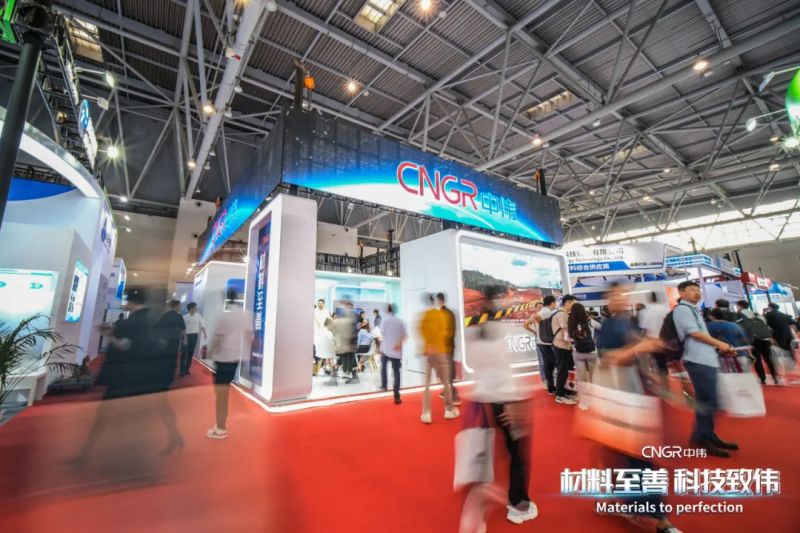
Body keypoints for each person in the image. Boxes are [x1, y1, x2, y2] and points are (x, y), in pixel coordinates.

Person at [596, 282, 682, 533]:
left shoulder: (629, 322)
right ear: (608, 299)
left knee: (628, 456)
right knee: (637, 458)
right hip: (619, 399)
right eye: (615, 295)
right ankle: (660, 519)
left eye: (623, 293)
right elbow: (609, 359)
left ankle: (626, 502)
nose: (620, 298)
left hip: (633, 396)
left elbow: (634, 353)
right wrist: (640, 347)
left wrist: (650, 371)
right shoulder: (609, 326)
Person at [459, 288, 537, 531]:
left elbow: (479, 370)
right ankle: (518, 504)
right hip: (507, 401)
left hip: (482, 403)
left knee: (483, 459)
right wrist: (516, 403)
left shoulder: (472, 333)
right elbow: (509, 371)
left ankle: (476, 517)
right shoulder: (505, 331)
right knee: (517, 455)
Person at [672, 281, 738, 458]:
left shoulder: (693, 310)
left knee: (707, 401)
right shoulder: (682, 310)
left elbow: (701, 335)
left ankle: (705, 436)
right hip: (697, 360)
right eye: (692, 290)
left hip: (706, 359)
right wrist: (720, 344)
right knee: (709, 401)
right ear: (681, 293)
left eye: (698, 290)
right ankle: (703, 437)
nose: (697, 293)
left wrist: (719, 348)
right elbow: (695, 334)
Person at [207, 303, 253, 439]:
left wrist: (210, 353)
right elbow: (248, 336)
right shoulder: (247, 315)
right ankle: (220, 425)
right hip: (236, 359)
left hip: (224, 359)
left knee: (221, 394)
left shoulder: (224, 317)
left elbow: (217, 338)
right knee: (224, 393)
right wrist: (247, 354)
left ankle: (220, 428)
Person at [419, 293, 459, 423]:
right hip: (441, 351)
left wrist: (429, 344)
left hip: (428, 352)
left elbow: (421, 330)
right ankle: (449, 410)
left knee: (427, 384)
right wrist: (436, 344)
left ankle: (426, 413)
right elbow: (444, 332)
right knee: (446, 382)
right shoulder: (441, 315)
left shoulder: (424, 315)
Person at [735, 299, 778, 385]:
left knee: (757, 359)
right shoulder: (756, 314)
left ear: (739, 306)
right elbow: (765, 325)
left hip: (754, 340)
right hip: (764, 339)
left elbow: (740, 328)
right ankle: (775, 377)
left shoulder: (739, 315)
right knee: (768, 359)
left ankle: (762, 378)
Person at [567, 302, 599, 410]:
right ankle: (595, 400)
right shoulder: (590, 321)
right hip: (592, 352)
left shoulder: (571, 323)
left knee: (581, 379)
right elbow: (601, 327)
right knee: (594, 377)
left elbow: (568, 338)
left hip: (578, 352)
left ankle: (583, 402)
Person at [637, 292, 672, 392]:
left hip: (652, 342)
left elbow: (644, 329)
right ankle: (667, 386)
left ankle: (660, 386)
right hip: (666, 341)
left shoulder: (646, 312)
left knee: (655, 365)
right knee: (666, 365)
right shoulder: (666, 310)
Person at [379, 304, 407, 404]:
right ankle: (396, 396)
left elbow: (382, 334)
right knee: (396, 372)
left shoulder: (384, 320)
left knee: (383, 368)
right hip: (396, 351)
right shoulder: (400, 321)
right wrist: (399, 344)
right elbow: (405, 336)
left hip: (386, 349)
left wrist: (382, 346)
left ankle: (384, 386)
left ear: (387, 310)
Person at [552, 295, 577, 405]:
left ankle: (563, 392)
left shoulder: (560, 313)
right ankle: (560, 395)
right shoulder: (562, 314)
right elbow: (565, 332)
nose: (573, 306)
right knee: (562, 371)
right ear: (567, 302)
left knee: (564, 370)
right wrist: (572, 342)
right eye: (573, 303)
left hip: (561, 345)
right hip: (561, 345)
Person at [153, 300, 185, 385]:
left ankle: (162, 375)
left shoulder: (165, 315)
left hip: (165, 341)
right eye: (179, 306)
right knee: (173, 358)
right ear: (175, 306)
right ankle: (170, 376)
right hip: (175, 341)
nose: (180, 307)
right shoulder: (179, 316)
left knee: (164, 358)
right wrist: (184, 340)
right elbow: (183, 329)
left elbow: (156, 327)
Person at [530, 296, 557, 395]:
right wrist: (543, 329)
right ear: (552, 303)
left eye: (540, 305)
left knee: (547, 365)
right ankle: (556, 387)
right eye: (555, 302)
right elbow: (536, 318)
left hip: (542, 341)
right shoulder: (545, 312)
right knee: (553, 363)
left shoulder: (545, 312)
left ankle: (551, 387)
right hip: (546, 342)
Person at [437, 292, 460, 406]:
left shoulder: (446, 314)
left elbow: (449, 331)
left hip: (446, 348)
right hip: (444, 347)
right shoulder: (443, 313)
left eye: (438, 301)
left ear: (441, 301)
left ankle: (454, 395)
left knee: (448, 371)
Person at [523, 301, 546, 388]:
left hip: (548, 340)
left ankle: (550, 379)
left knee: (547, 360)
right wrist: (534, 332)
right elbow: (525, 325)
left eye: (541, 306)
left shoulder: (547, 314)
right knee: (542, 360)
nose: (539, 307)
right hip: (539, 340)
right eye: (538, 306)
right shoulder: (534, 316)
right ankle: (544, 380)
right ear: (536, 308)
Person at [333, 302, 358, 384]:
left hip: (350, 342)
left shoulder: (353, 318)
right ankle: (349, 374)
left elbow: (354, 331)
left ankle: (349, 374)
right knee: (346, 357)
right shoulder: (344, 317)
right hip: (345, 342)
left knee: (349, 358)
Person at [181, 302, 206, 376]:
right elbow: (182, 328)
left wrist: (205, 333)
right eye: (195, 307)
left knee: (190, 353)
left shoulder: (198, 316)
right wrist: (183, 337)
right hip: (186, 336)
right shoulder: (184, 317)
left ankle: (186, 370)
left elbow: (202, 324)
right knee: (184, 353)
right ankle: (182, 370)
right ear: (191, 308)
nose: (196, 309)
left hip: (194, 336)